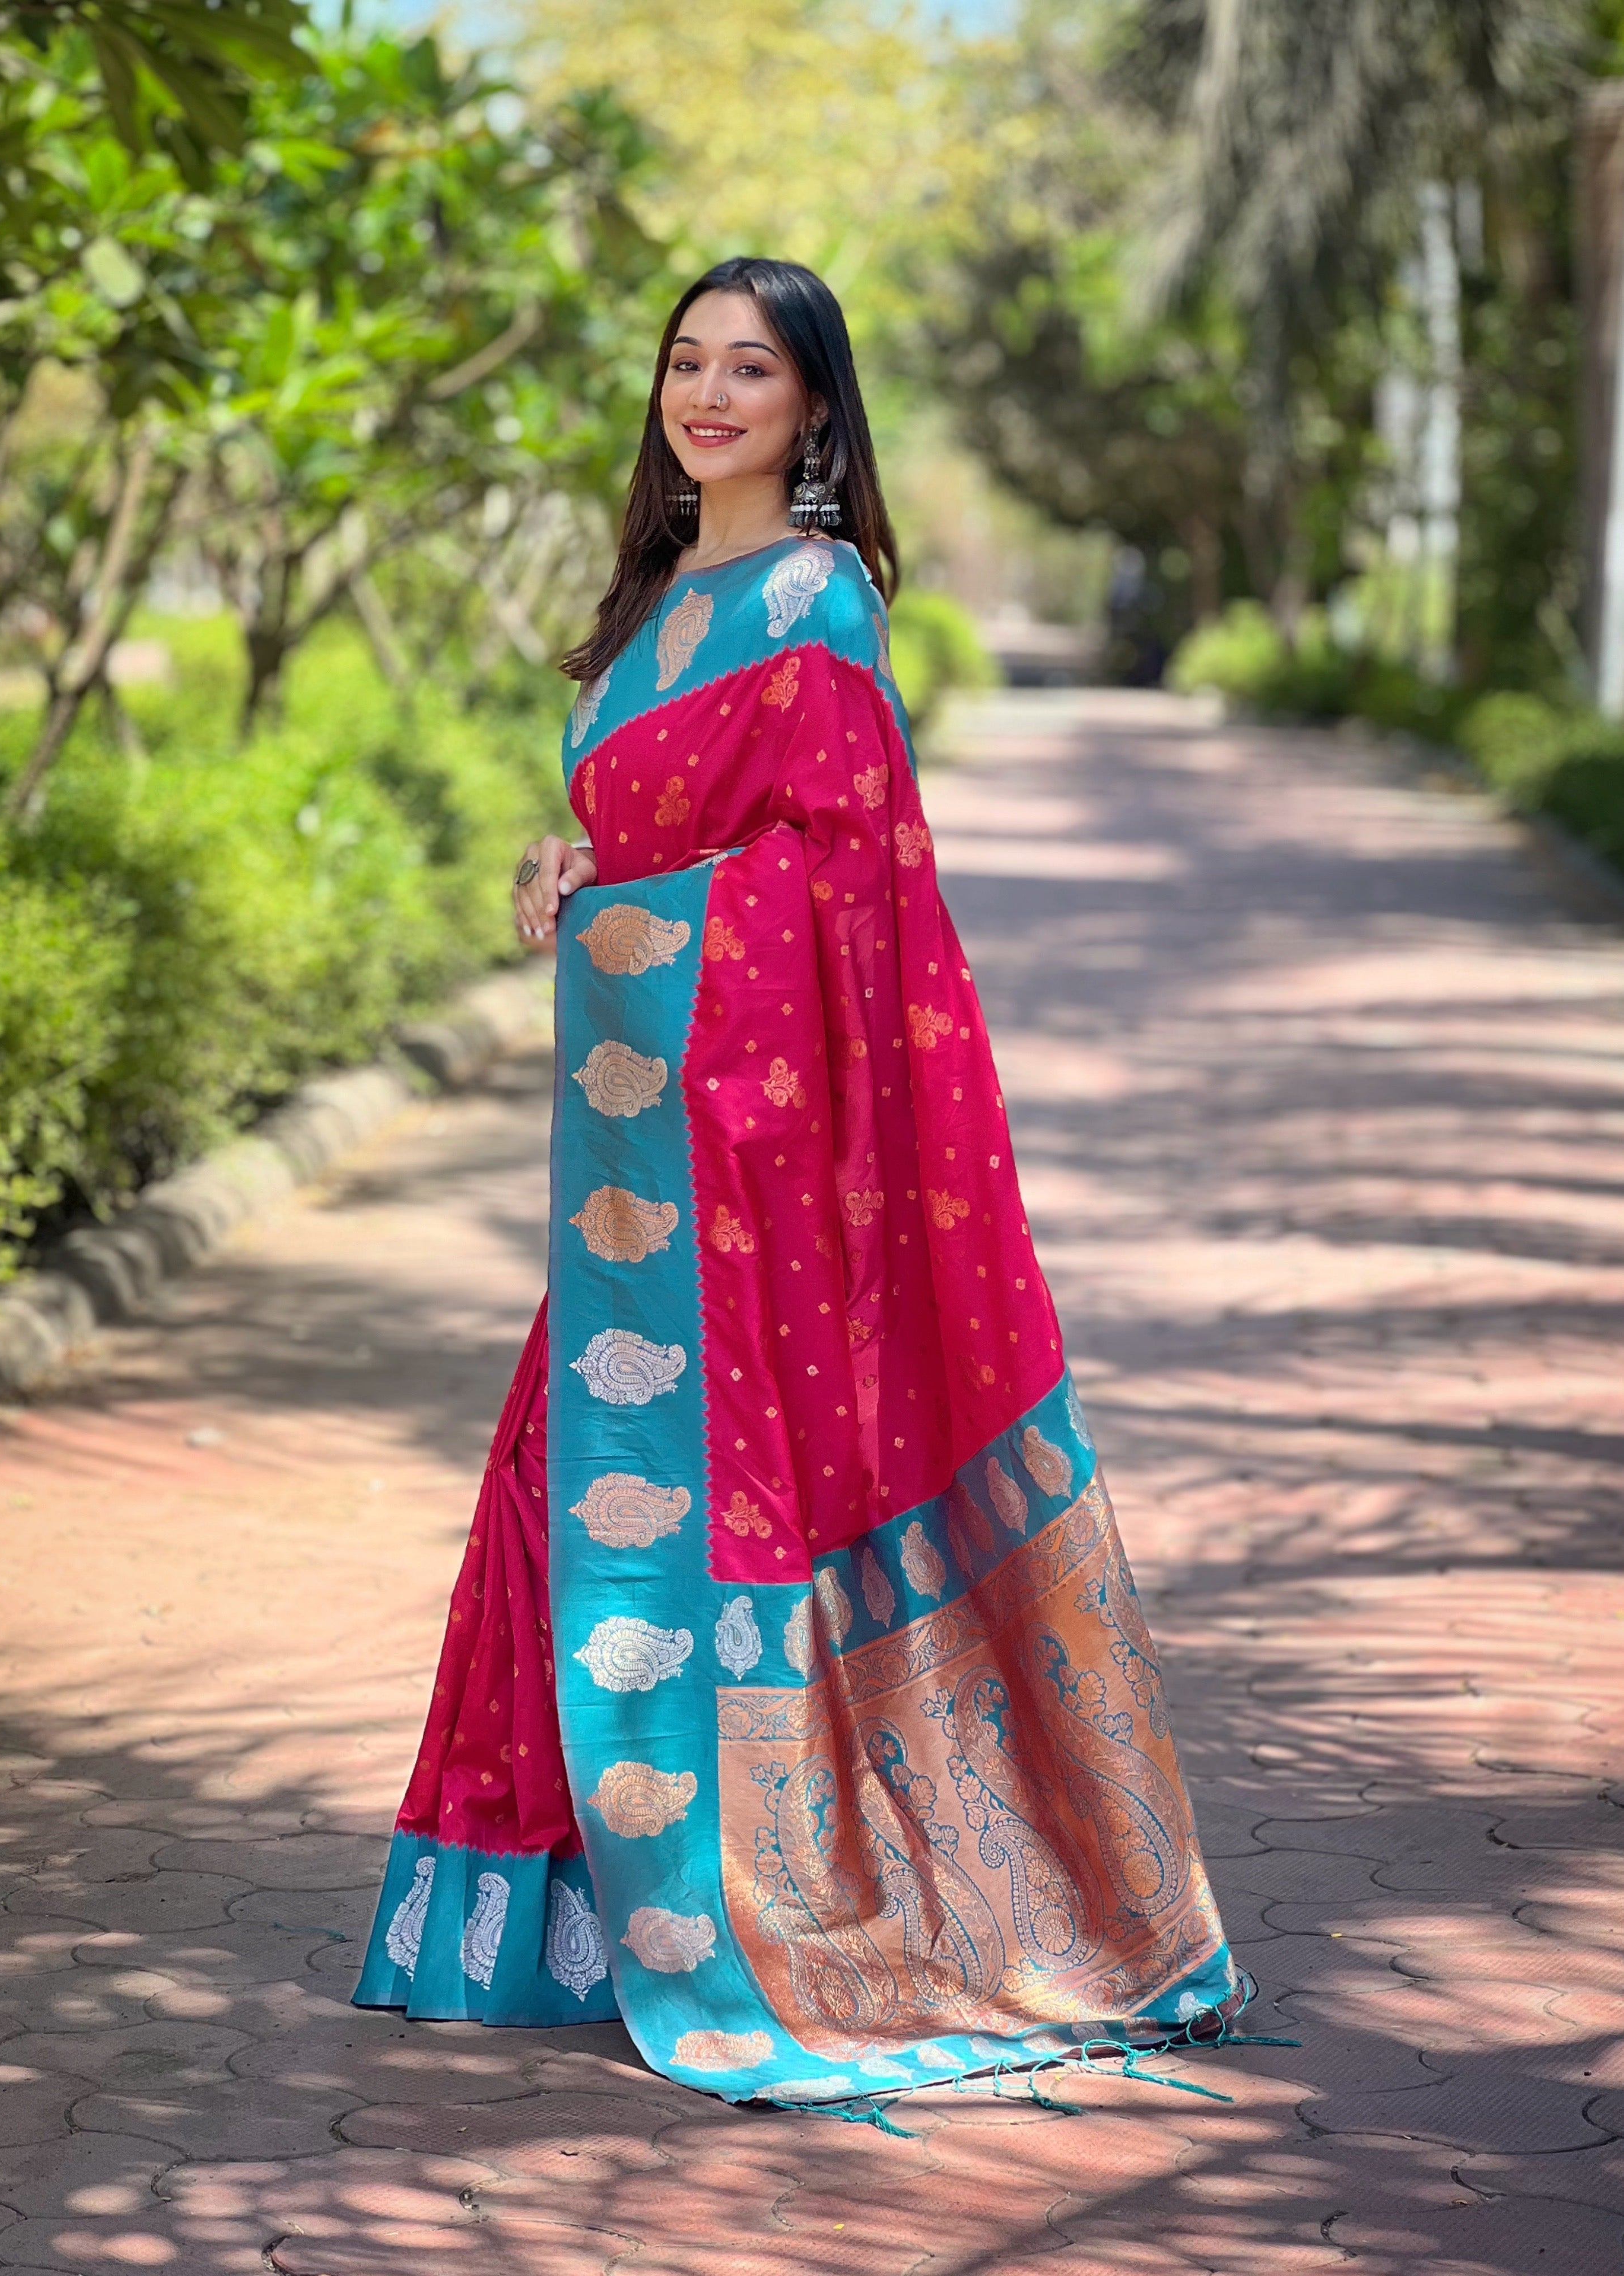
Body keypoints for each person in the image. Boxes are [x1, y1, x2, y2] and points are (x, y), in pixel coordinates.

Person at [354, 256, 1238, 2109]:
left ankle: (770, 1907)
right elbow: (649, 839)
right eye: (685, 360)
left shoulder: (814, 600)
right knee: (555, 1478)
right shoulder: (660, 597)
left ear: (813, 411)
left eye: (749, 367)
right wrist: (556, 870)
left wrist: (629, 920)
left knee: (634, 1489)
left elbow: (841, 889)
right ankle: (559, 1916)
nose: (708, 392)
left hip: (748, 1156)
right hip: (642, 1165)